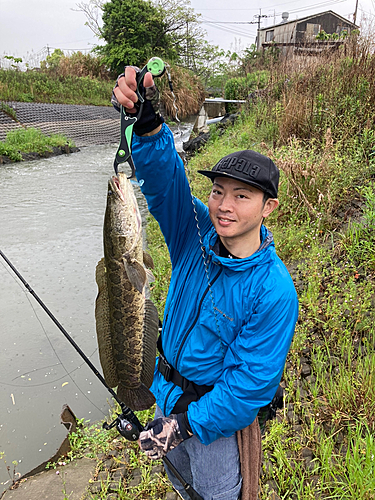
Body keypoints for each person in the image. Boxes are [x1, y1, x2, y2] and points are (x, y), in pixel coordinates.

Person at [112, 67, 299, 500]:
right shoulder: (193, 233)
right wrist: (148, 123)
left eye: (241, 195)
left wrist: (184, 425)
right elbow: (165, 185)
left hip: (213, 424)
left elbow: (250, 384)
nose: (223, 206)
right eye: (218, 191)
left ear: (268, 207)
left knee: (215, 493)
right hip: (164, 395)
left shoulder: (273, 290)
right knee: (181, 485)